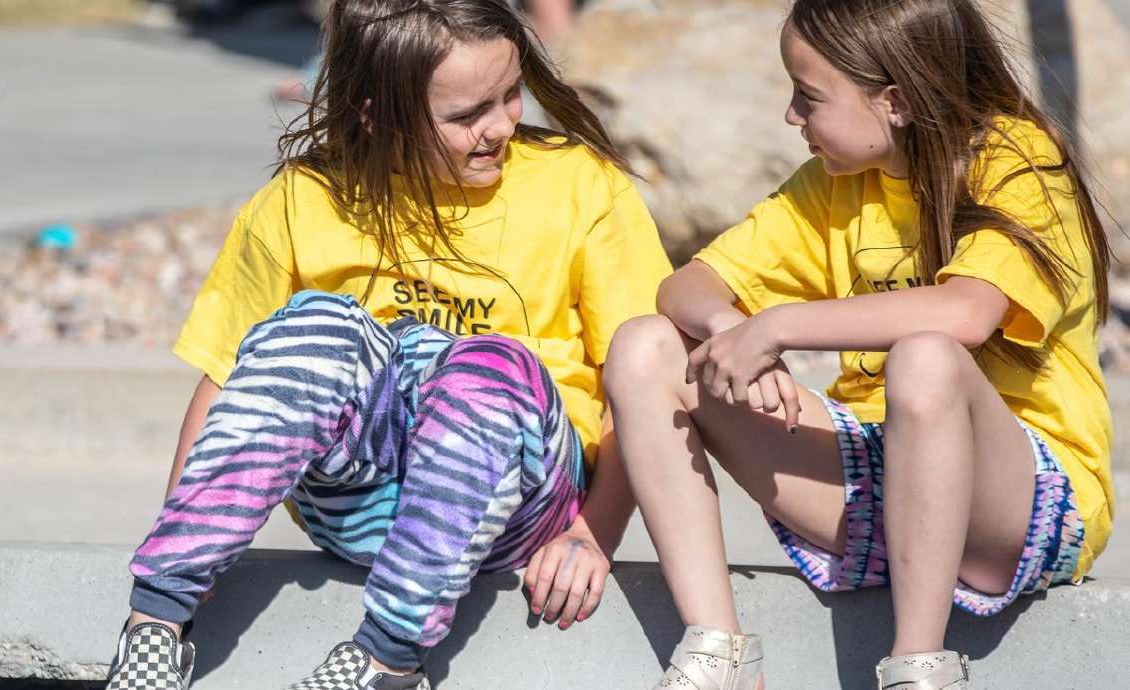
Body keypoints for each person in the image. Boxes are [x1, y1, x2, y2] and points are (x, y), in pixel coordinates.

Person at [104, 0, 672, 688]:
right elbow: (227, 380)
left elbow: (639, 393)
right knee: (316, 325)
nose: (502, 125)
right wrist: (185, 552)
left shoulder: (582, 189)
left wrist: (594, 533)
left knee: (485, 364)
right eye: (467, 116)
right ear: (376, 114)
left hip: (514, 499)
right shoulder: (304, 198)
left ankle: (390, 658)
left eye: (510, 93)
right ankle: (157, 625)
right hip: (357, 502)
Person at [603, 0, 1113, 688]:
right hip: (879, 489)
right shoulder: (834, 183)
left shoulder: (1021, 160)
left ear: (896, 102)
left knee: (927, 357)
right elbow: (686, 285)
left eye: (808, 97)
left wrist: (776, 325)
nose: (791, 116)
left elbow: (967, 313)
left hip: (1020, 511)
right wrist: (732, 331)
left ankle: (917, 666)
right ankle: (721, 651)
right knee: (646, 347)